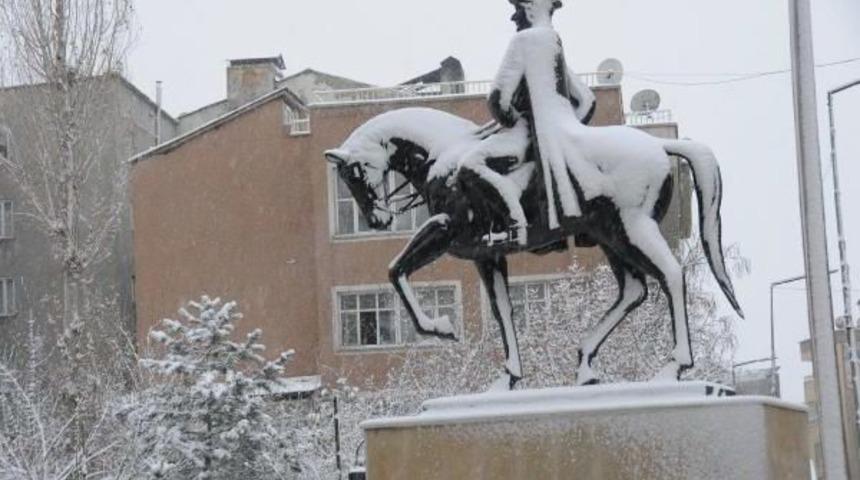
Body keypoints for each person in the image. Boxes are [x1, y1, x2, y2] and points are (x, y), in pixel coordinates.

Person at [456, 0, 597, 245]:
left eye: (517, 12)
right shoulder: (553, 44)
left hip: (523, 134)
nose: (515, 19)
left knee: (470, 165)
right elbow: (587, 100)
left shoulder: (524, 42)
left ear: (530, 11)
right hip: (558, 137)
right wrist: (570, 127)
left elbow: (497, 100)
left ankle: (514, 223)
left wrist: (512, 121)